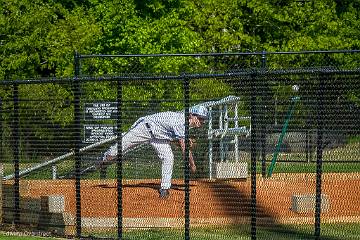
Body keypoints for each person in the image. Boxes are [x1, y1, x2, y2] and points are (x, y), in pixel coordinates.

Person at [101, 105, 208, 198]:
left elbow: (175, 140)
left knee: (168, 157)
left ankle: (164, 189)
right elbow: (183, 147)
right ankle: (104, 160)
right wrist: (192, 164)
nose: (202, 121)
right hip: (145, 128)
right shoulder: (181, 122)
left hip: (158, 137)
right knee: (117, 150)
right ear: (192, 115)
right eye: (200, 118)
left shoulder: (184, 123)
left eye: (204, 119)